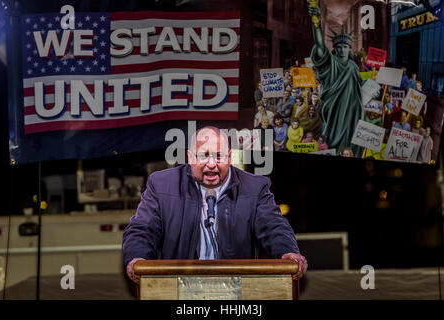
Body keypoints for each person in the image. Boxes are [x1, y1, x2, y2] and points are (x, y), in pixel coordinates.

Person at [122, 126, 308, 284]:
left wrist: (288, 252)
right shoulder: (162, 184)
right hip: (179, 286)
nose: (211, 164)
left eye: (218, 156)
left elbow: (274, 226)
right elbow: (142, 228)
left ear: (229, 156)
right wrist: (137, 258)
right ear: (190, 157)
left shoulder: (255, 187)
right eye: (204, 156)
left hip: (237, 287)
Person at [307, 4, 363, 157]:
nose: (342, 50)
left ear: (349, 48)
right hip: (335, 107)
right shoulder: (331, 63)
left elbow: (360, 84)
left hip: (352, 108)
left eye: (345, 46)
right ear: (335, 49)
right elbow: (319, 46)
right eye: (339, 47)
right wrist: (316, 24)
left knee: (351, 136)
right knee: (333, 135)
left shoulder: (353, 66)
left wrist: (373, 89)